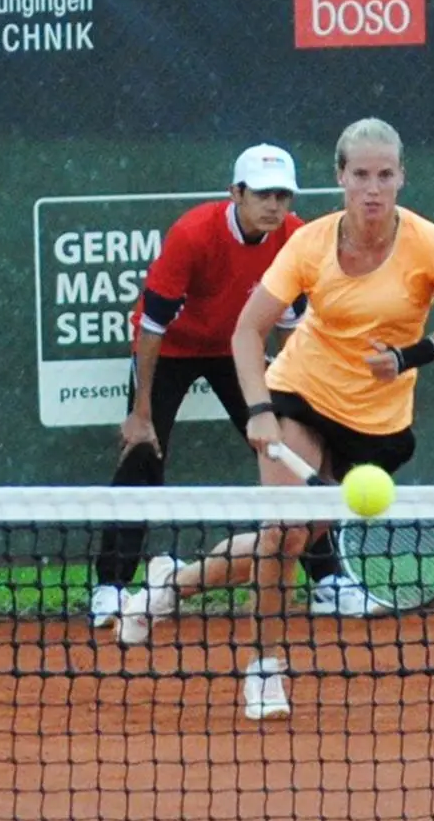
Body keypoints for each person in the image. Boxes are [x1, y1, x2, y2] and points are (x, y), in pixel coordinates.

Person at [116, 117, 434, 720]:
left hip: (377, 423)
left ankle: (169, 584)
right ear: (340, 177)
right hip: (300, 395)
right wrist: (260, 410)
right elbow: (247, 330)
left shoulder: (430, 244)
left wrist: (410, 356)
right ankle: (265, 668)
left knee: (284, 543)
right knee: (282, 533)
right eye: (361, 174)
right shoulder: (310, 242)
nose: (373, 188)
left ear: (402, 178)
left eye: (385, 175)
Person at [88, 143, 306, 626]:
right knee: (142, 455)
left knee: (289, 454)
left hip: (237, 350)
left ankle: (330, 578)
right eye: (264, 194)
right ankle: (111, 586)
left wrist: (292, 400)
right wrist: (141, 414)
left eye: (284, 196)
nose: (275, 205)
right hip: (171, 350)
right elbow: (151, 327)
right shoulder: (193, 233)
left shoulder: (295, 236)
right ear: (236, 192)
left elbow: (293, 325)